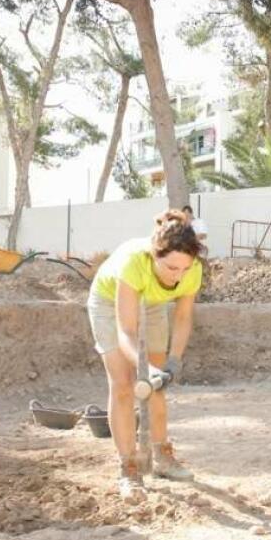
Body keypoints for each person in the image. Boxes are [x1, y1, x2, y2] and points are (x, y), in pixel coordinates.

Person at [88, 211, 202, 503]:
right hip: (109, 300)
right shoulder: (134, 264)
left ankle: (162, 457)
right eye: (171, 267)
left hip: (152, 303)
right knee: (125, 385)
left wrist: (172, 361)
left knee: (156, 385)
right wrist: (146, 368)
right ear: (154, 256)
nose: (178, 276)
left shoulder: (192, 270)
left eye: (184, 269)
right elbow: (126, 331)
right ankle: (128, 467)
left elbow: (183, 316)